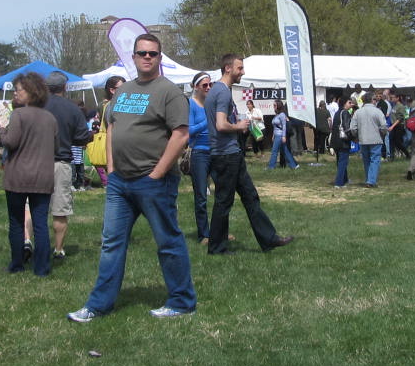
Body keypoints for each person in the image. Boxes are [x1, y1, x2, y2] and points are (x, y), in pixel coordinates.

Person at [69, 34, 198, 321]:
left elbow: (181, 135)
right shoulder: (124, 91)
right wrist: (111, 169)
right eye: (142, 53)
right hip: (120, 183)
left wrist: (157, 173)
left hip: (153, 182)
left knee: (168, 241)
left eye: (153, 53)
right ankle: (99, 304)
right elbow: (112, 127)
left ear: (159, 58)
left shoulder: (169, 92)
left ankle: (182, 301)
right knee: (111, 243)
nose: (147, 57)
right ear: (135, 57)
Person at [204, 54, 294, 255]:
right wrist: (238, 125)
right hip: (226, 155)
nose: (242, 72)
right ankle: (217, 248)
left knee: (250, 196)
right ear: (228, 68)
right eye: (239, 68)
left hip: (230, 154)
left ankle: (269, 239)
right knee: (224, 202)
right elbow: (220, 124)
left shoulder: (215, 91)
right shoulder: (223, 93)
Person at [0, 72, 57, 278]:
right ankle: (42, 267)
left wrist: (1, 130)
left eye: (19, 90)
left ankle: (17, 264)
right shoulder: (50, 118)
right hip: (43, 176)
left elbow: (11, 141)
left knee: (16, 221)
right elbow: (55, 146)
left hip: (18, 176)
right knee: (40, 222)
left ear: (31, 92)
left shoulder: (18, 115)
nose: (15, 93)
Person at [42, 70, 92, 259]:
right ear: (65, 87)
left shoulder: (37, 105)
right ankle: (58, 248)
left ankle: (27, 240)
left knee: (30, 206)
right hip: (60, 161)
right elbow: (81, 138)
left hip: (35, 162)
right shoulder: (72, 109)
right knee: (59, 208)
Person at [186, 73, 213, 245]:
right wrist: (207, 122)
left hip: (216, 151)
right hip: (199, 153)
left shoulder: (211, 104)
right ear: (196, 87)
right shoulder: (191, 104)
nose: (209, 88)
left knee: (224, 195)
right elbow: (188, 131)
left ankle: (218, 232)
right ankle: (204, 235)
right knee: (201, 196)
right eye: (205, 85)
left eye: (210, 84)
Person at [351, 95, 387, 187]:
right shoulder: (378, 112)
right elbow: (383, 126)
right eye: (374, 99)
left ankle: (369, 179)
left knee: (366, 160)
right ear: (372, 100)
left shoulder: (358, 112)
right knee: (375, 160)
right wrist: (383, 134)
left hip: (363, 139)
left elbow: (353, 128)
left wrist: (356, 136)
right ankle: (371, 181)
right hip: (376, 139)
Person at [329, 95, 356, 187]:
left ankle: (345, 179)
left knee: (340, 161)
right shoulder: (345, 113)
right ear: (344, 103)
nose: (351, 104)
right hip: (343, 141)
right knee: (343, 162)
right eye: (349, 102)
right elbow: (347, 128)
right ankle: (339, 183)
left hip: (335, 140)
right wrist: (353, 138)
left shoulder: (337, 113)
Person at [268, 100, 299, 170]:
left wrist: (284, 136)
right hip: (276, 135)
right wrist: (273, 135)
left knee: (274, 151)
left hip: (280, 135)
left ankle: (271, 167)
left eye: (275, 105)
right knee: (286, 151)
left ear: (278, 106)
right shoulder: (277, 115)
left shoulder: (282, 115)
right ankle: (294, 166)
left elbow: (284, 126)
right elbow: (275, 126)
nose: (273, 107)